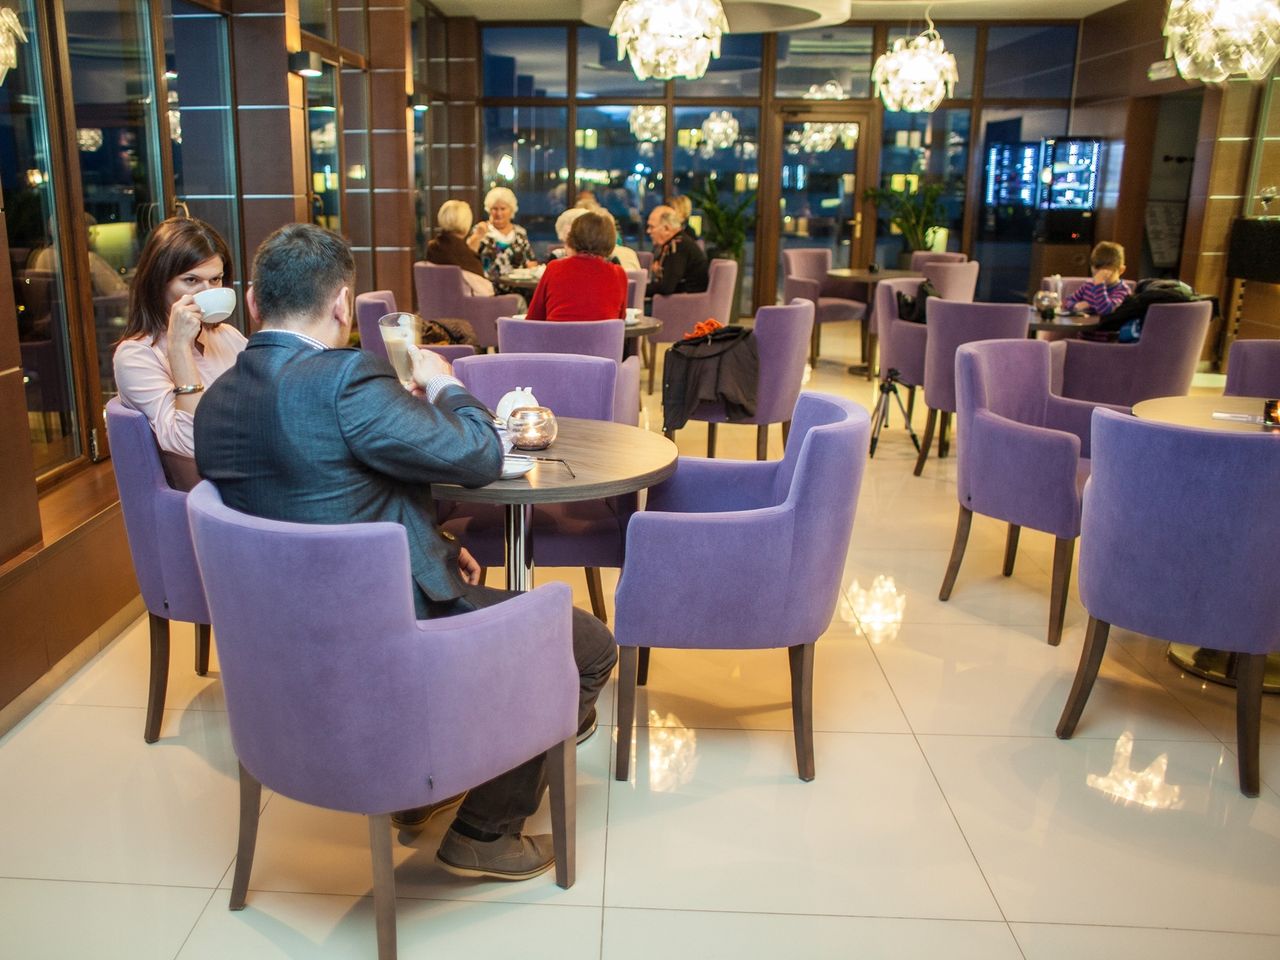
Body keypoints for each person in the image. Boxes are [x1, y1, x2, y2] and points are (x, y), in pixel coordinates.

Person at [194, 223, 616, 883]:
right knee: (584, 646)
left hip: (282, 643)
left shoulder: (216, 401)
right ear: (342, 304)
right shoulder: (347, 378)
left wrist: (435, 543)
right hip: (387, 634)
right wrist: (443, 383)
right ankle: (483, 830)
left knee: (524, 629)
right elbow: (479, 455)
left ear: (252, 302)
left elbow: (319, 497)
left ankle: (437, 773)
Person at [112, 216, 243, 473]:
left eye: (215, 279)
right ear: (158, 283)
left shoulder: (226, 336)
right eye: (191, 280)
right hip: (209, 487)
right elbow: (191, 444)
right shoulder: (135, 355)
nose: (207, 292)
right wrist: (179, 348)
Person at [526, 211, 628, 322]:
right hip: (603, 334)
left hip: (558, 333)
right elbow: (620, 319)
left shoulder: (554, 268)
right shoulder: (618, 274)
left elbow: (533, 318)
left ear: (572, 237)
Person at [426, 199, 495, 296]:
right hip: (465, 305)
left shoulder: (432, 248)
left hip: (436, 302)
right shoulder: (466, 258)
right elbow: (486, 292)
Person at [472, 186, 536, 281]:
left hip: (518, 286)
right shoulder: (480, 230)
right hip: (487, 286)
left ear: (511, 210)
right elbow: (468, 258)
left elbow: (531, 262)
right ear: (489, 210)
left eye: (503, 209)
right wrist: (477, 236)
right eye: (495, 208)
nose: (499, 213)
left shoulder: (520, 233)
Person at [646, 205, 708, 297]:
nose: (648, 231)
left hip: (687, 301)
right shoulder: (677, 242)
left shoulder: (678, 246)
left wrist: (639, 288)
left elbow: (666, 287)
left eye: (652, 227)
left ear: (666, 229)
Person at [1065, 241, 1128, 316]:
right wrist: (1075, 305)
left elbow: (1106, 311)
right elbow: (1068, 301)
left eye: (1105, 274)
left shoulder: (1122, 290)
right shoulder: (1088, 285)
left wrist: (1099, 285)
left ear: (1121, 270)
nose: (1099, 278)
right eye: (1096, 273)